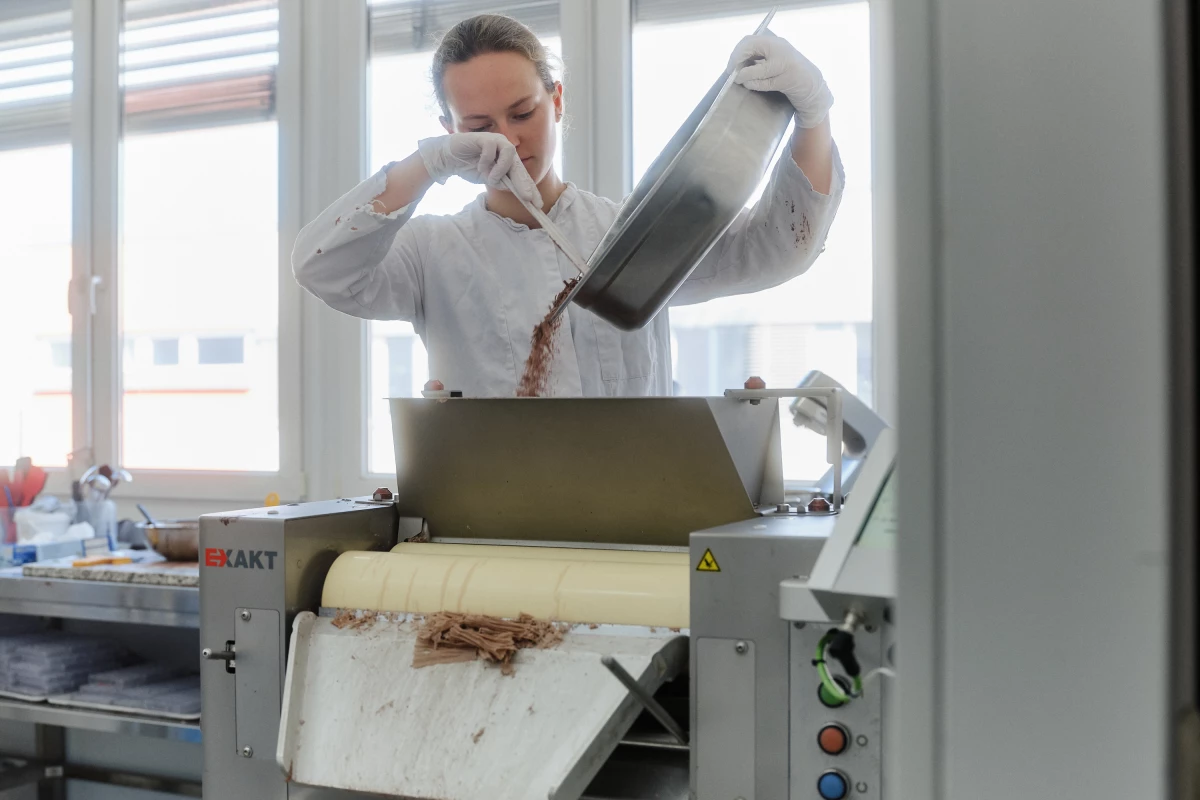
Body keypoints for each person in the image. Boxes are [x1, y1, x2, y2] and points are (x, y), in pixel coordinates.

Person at [294, 14, 843, 397]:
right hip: (494, 518)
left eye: (523, 113)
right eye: (478, 126)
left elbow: (778, 249)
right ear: (450, 132)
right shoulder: (429, 253)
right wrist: (425, 165)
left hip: (635, 510)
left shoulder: (631, 236)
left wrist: (812, 114)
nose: (508, 140)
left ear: (556, 101)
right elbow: (323, 268)